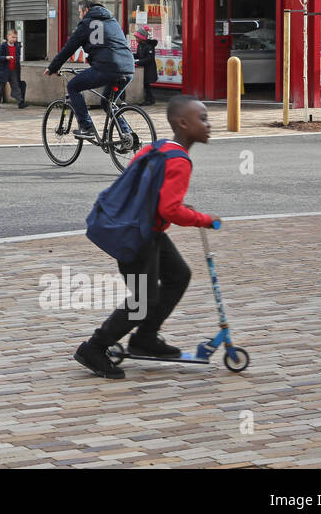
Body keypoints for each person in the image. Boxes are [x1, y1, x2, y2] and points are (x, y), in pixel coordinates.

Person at [74, 95, 221, 379]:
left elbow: (146, 186)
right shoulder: (179, 161)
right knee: (144, 300)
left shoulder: (161, 147)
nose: (208, 124)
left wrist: (167, 207)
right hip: (139, 236)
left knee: (178, 275)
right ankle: (93, 347)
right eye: (202, 119)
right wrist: (204, 219)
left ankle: (145, 339)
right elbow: (170, 209)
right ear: (183, 123)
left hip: (143, 229)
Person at [45, 0, 136, 140]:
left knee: (73, 86)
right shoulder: (112, 20)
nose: (80, 16)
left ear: (86, 9)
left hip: (106, 67)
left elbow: (70, 47)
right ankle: (127, 136)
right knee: (107, 103)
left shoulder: (88, 23)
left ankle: (86, 127)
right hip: (128, 67)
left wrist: (53, 67)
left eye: (80, 12)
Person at [0, 28, 26, 109]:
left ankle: (20, 102)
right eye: (12, 37)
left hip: (13, 69)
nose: (14, 39)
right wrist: (6, 57)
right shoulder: (3, 46)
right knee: (0, 87)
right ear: (8, 37)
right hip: (4, 69)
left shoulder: (17, 46)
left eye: (15, 37)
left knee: (16, 86)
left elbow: (17, 57)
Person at [134, 26, 159, 106]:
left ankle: (149, 99)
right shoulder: (140, 45)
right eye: (136, 37)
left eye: (137, 37)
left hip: (149, 69)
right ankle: (150, 99)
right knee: (145, 84)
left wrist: (138, 63)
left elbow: (149, 58)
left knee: (146, 84)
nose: (136, 39)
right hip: (143, 69)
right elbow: (138, 55)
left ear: (142, 38)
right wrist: (130, 56)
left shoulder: (149, 46)